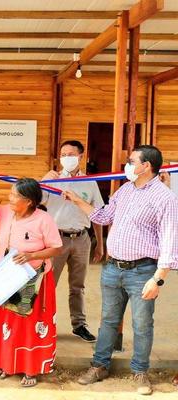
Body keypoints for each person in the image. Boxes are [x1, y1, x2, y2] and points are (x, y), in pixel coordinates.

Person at [64, 145, 178, 395]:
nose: (126, 165)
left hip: (143, 272)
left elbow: (170, 243)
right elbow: (103, 217)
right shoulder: (125, 190)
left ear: (146, 166)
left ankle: (140, 371)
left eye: (130, 161)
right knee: (108, 322)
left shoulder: (165, 198)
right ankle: (99, 366)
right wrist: (77, 200)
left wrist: (157, 280)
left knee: (142, 324)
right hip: (113, 269)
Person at [0, 178, 63, 388]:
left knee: (29, 324)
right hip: (6, 277)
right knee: (7, 323)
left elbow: (57, 248)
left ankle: (31, 368)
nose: (10, 198)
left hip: (33, 279)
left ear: (28, 201)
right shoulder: (6, 212)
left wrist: (32, 255)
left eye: (14, 195)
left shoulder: (43, 219)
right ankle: (7, 364)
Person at [41, 140, 105, 342]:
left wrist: (100, 245)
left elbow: (97, 214)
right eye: (63, 154)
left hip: (82, 239)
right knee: (48, 284)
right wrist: (42, 181)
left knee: (78, 286)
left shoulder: (90, 182)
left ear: (80, 157)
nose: (66, 157)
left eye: (71, 154)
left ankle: (79, 325)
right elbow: (34, 200)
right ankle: (43, 323)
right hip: (56, 240)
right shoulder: (53, 179)